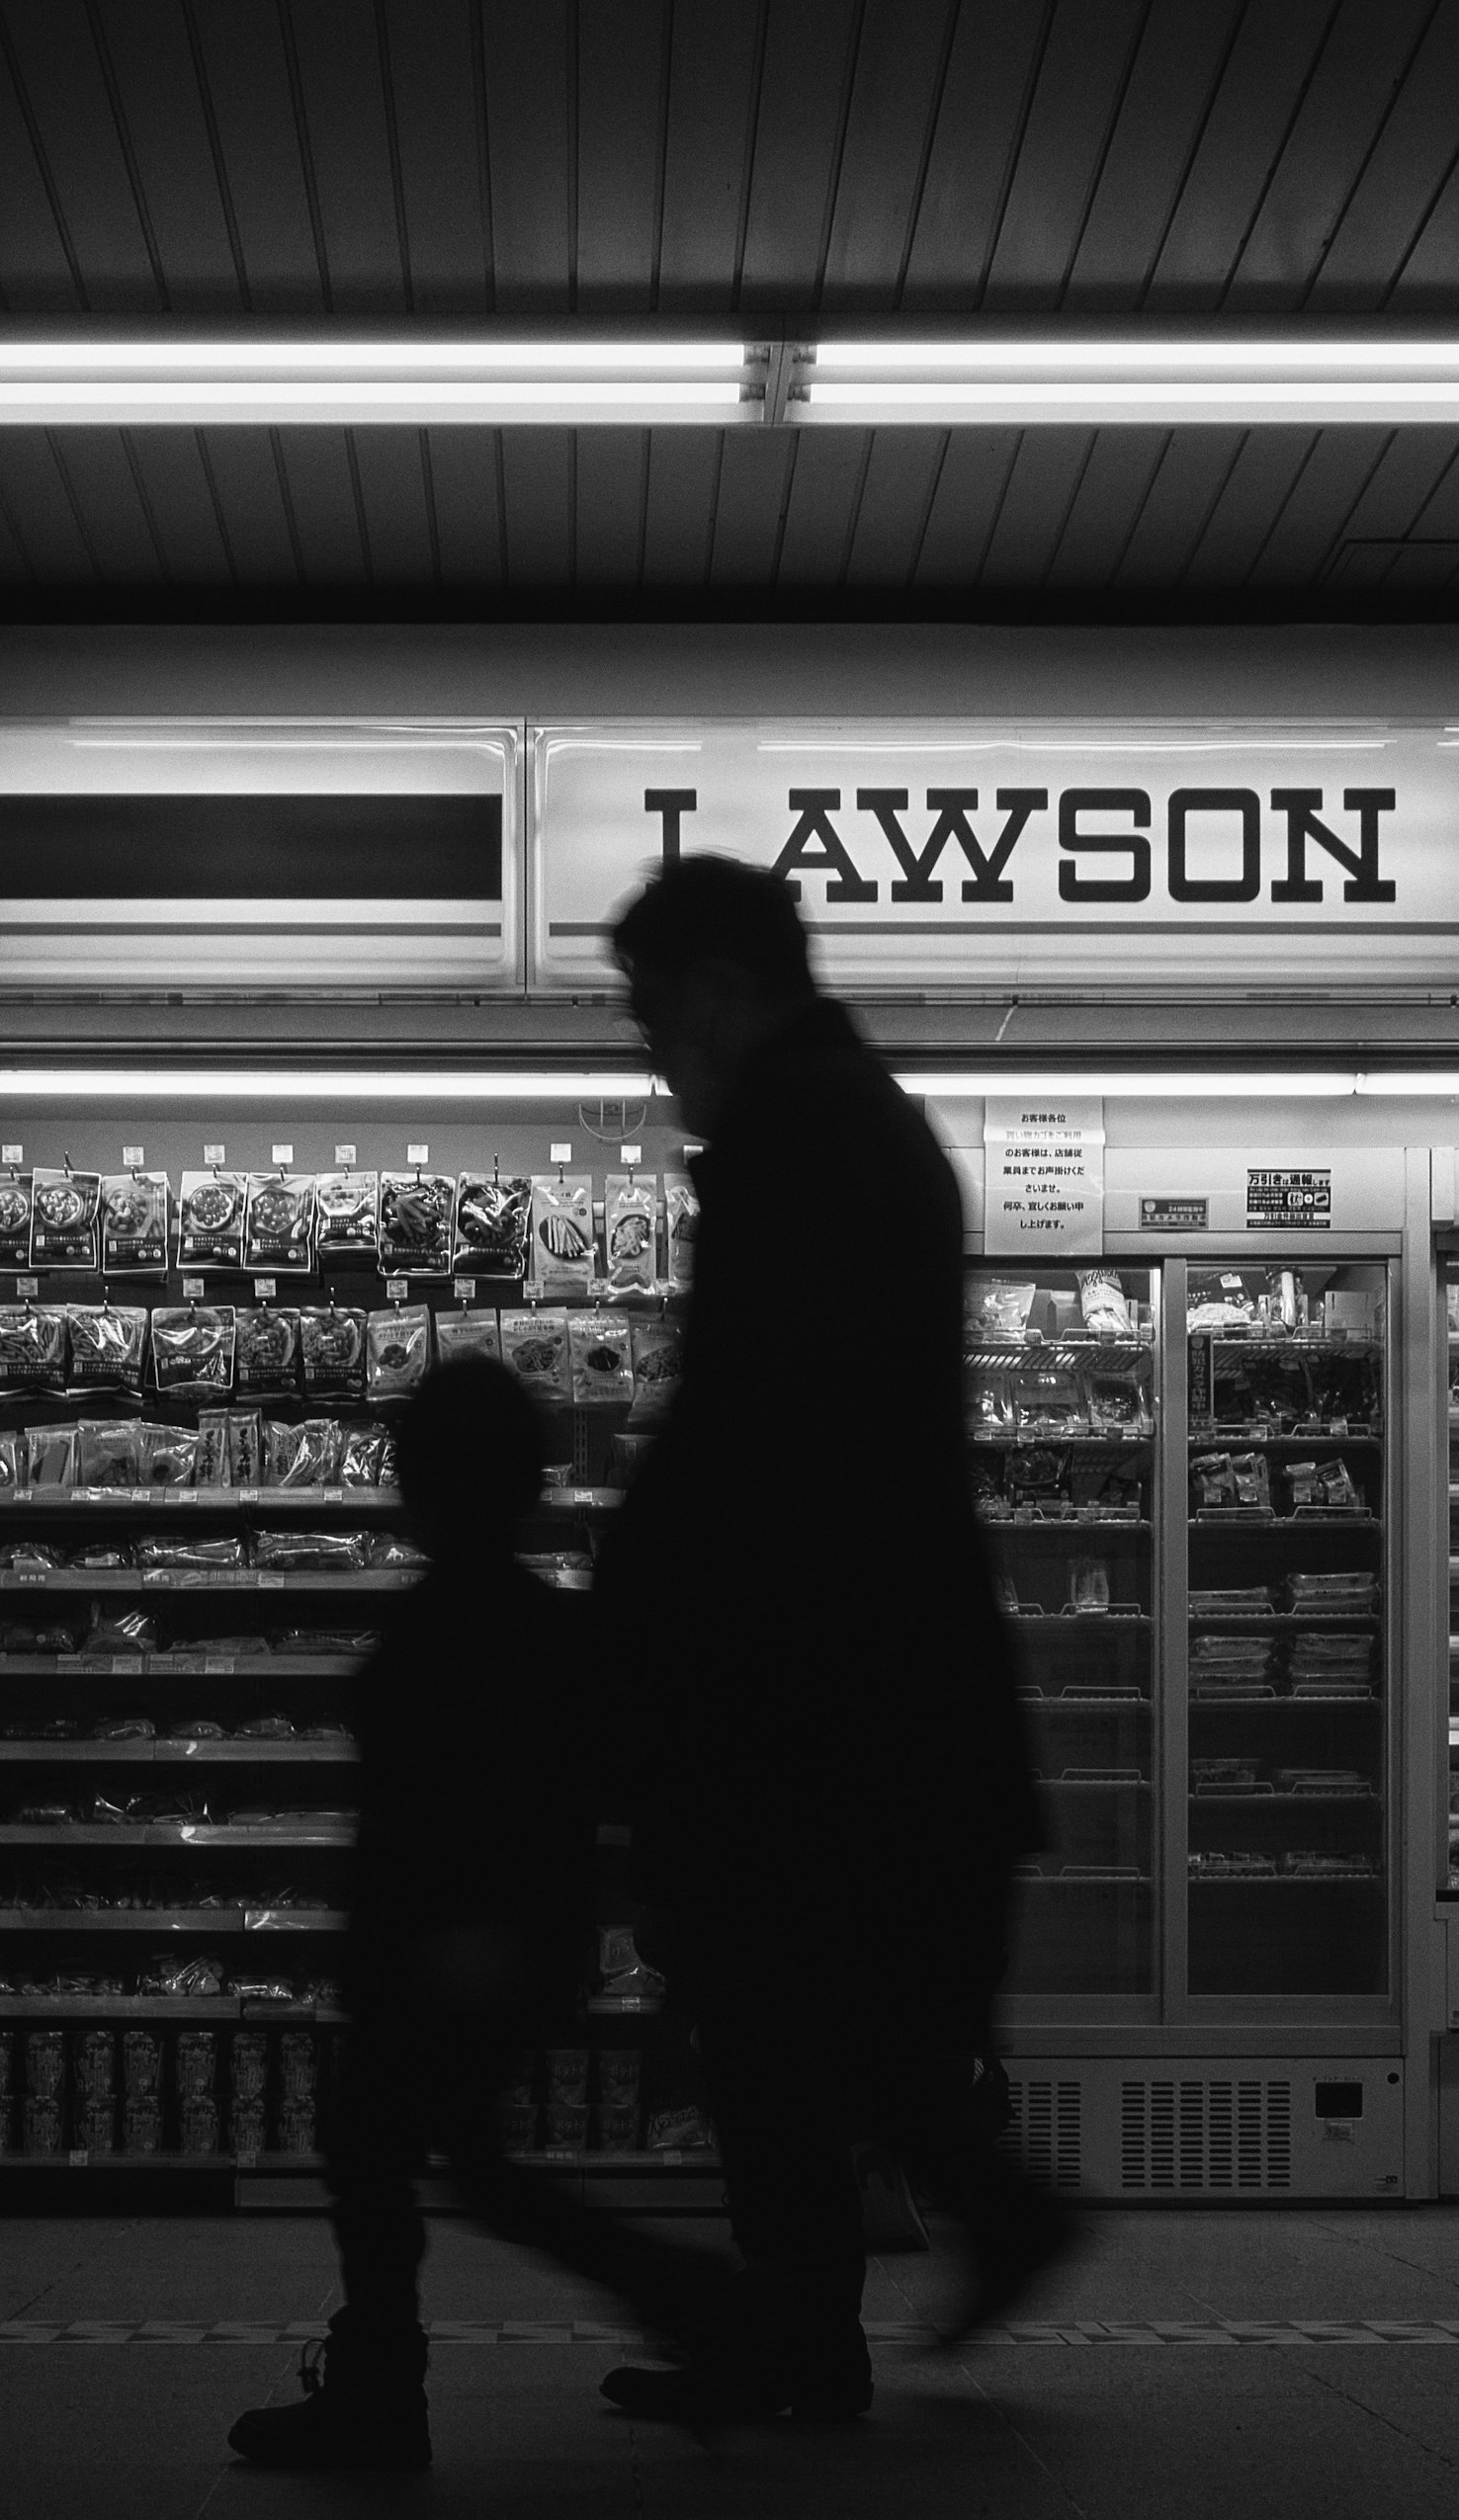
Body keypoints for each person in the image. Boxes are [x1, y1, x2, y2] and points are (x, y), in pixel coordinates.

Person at [593, 855, 1072, 2423]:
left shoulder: (795, 1139)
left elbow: (737, 1425)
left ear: (722, 992)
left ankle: (829, 2316)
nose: (653, 1057)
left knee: (771, 2011)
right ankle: (844, 2303)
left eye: (654, 1015)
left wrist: (620, 1616)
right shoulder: (870, 1122)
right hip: (881, 1678)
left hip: (815, 1688)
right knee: (811, 2018)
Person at [226, 1355, 727, 2472]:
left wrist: (440, 1936)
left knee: (384, 2154)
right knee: (461, 2164)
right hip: (489, 1942)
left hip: (449, 1948)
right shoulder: (533, 1619)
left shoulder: (457, 1621)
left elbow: (444, 1809)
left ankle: (383, 2395)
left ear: (428, 1480)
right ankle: (678, 2296)